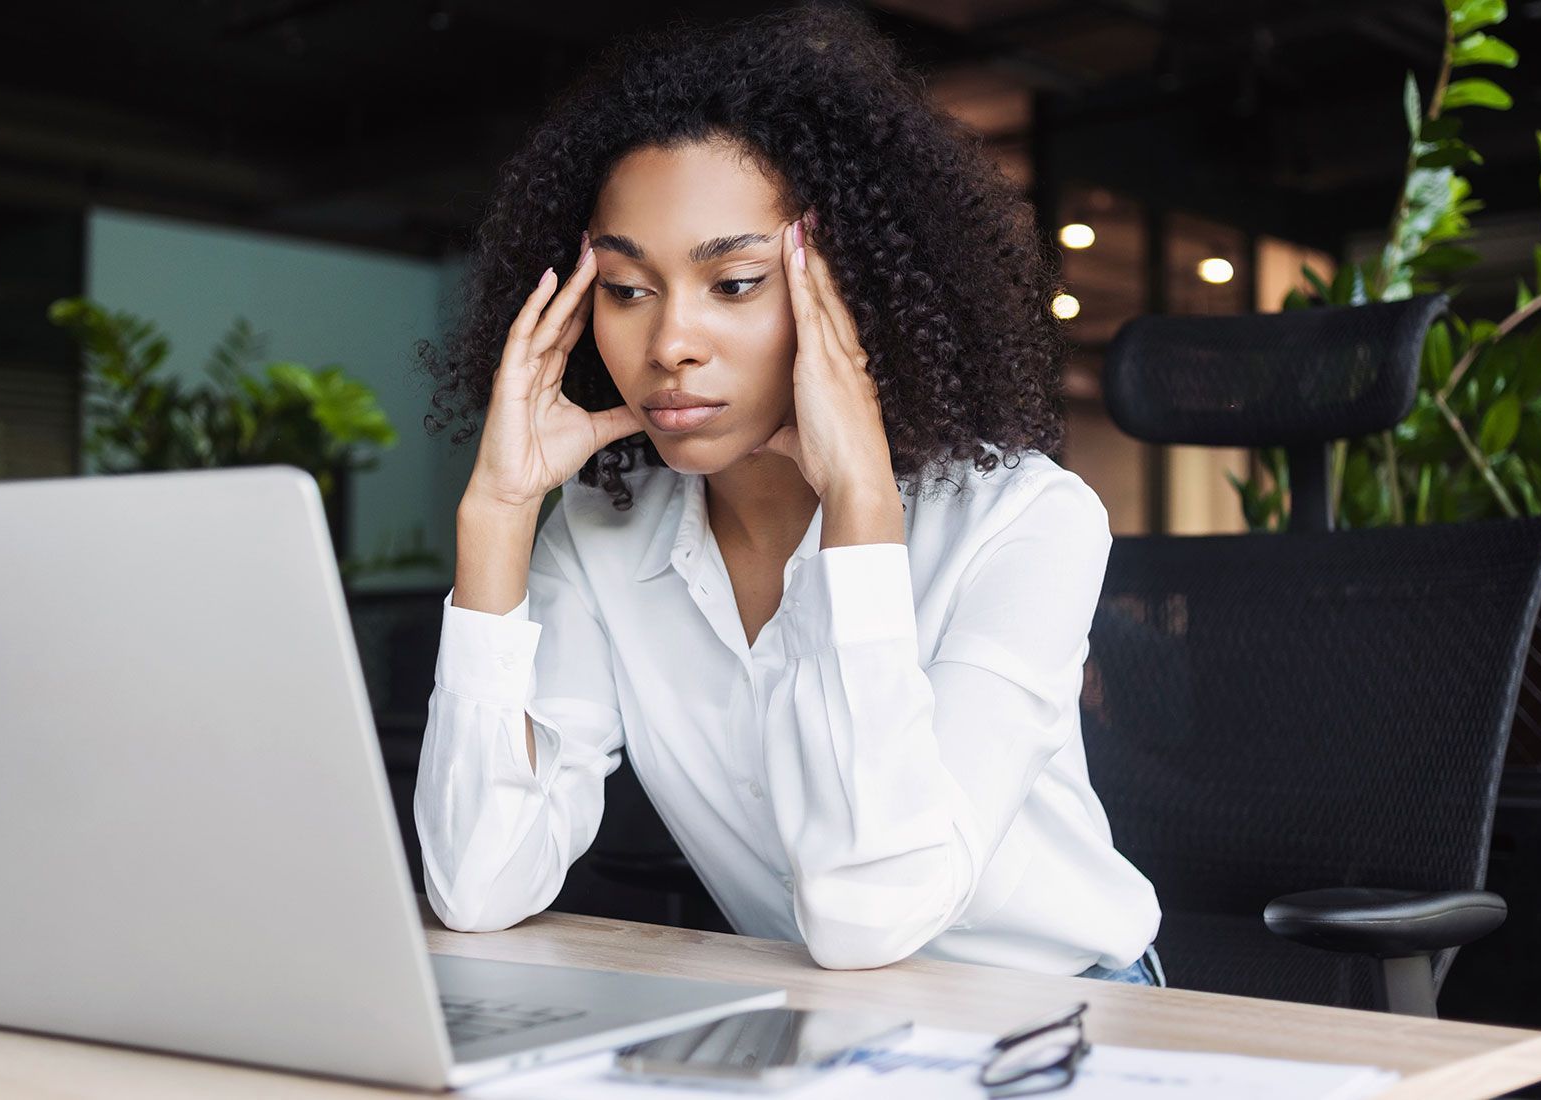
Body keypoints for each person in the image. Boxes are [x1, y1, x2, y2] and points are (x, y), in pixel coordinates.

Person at [413, 3, 1162, 985]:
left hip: (1069, 1012)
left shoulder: (1025, 518)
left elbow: (872, 912)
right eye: (629, 289)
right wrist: (498, 518)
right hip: (825, 1019)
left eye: (732, 282)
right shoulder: (602, 531)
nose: (670, 341)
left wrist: (859, 511)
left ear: (852, 287)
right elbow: (477, 881)